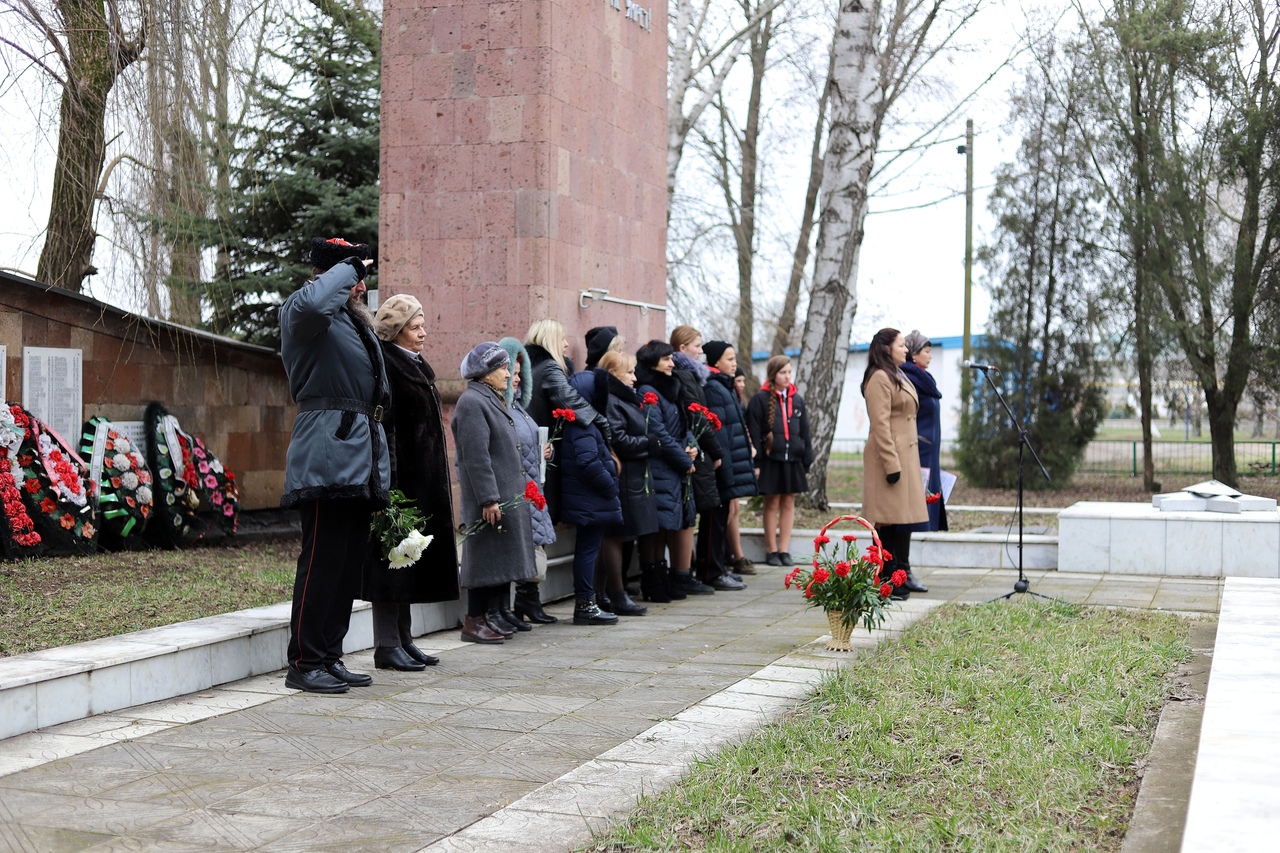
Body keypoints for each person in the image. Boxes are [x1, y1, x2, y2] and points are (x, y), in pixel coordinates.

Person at [280, 238, 387, 694]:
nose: (362, 285)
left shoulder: (345, 319)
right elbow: (312, 306)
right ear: (332, 276)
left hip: (356, 449)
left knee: (345, 563)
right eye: (355, 276)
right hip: (326, 450)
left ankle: (329, 654)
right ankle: (304, 662)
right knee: (322, 559)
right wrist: (346, 268)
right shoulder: (303, 310)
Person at [364, 294, 460, 671]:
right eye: (415, 327)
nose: (423, 333)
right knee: (392, 563)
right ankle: (386, 645)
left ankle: (403, 639)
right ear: (396, 331)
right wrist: (389, 487)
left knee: (408, 560)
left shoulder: (414, 364)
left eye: (422, 325)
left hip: (421, 482)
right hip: (399, 483)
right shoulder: (387, 366)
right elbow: (384, 429)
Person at [452, 342, 539, 643]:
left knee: (498, 558)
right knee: (484, 559)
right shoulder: (472, 402)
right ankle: (474, 622)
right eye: (503, 368)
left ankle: (489, 616)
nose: (508, 374)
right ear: (486, 372)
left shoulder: (491, 398)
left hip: (503, 496)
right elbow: (477, 457)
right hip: (490, 499)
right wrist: (489, 498)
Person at [860, 328, 928, 600]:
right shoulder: (879, 377)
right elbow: (881, 425)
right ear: (886, 348)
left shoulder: (897, 373)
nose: (906, 350)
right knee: (888, 522)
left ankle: (898, 575)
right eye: (901, 345)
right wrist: (891, 465)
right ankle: (886, 579)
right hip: (889, 458)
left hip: (906, 456)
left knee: (903, 521)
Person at [497, 337, 559, 625]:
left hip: (532, 484)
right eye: (514, 371)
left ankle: (527, 600)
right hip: (517, 487)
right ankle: (513, 604)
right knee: (520, 548)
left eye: (521, 373)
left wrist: (546, 449)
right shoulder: (500, 407)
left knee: (533, 546)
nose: (517, 378)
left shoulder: (520, 406)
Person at [634, 340, 701, 601]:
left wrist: (692, 447)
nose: (672, 363)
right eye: (666, 359)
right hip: (660, 467)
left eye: (672, 358)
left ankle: (662, 578)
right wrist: (684, 460)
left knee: (666, 524)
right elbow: (656, 431)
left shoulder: (668, 390)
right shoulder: (648, 391)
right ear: (652, 363)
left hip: (672, 467)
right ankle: (652, 581)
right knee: (656, 526)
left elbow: (682, 427)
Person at [524, 319, 610, 520]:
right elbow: (571, 402)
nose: (566, 344)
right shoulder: (549, 368)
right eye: (562, 339)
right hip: (546, 450)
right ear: (551, 340)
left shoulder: (532, 369)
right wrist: (601, 421)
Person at [561, 369, 625, 624]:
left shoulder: (585, 420)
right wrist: (610, 486)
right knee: (588, 550)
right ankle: (585, 605)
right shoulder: (582, 423)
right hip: (590, 498)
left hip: (589, 499)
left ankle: (587, 603)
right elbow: (588, 462)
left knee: (589, 548)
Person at [597, 350, 656, 616]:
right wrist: (650, 443)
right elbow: (620, 440)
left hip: (633, 475)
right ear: (612, 375)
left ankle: (612, 593)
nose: (635, 377)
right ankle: (616, 595)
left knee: (622, 536)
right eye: (629, 372)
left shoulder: (625, 399)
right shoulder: (612, 400)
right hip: (623, 475)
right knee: (615, 536)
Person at [669, 326, 724, 594]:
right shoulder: (684, 375)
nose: (701, 351)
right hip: (696, 449)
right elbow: (696, 415)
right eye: (697, 345)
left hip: (699, 448)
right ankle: (693, 571)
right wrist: (716, 451)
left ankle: (698, 570)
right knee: (701, 509)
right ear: (682, 349)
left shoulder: (693, 375)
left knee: (704, 509)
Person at [746, 355, 814, 567]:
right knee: (772, 501)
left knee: (788, 501)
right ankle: (771, 549)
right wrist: (756, 463)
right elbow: (754, 433)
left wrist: (806, 462)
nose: (787, 377)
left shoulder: (797, 400)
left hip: (793, 459)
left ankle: (784, 549)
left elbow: (805, 433)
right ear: (773, 375)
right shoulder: (760, 400)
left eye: (789, 372)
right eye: (783, 372)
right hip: (770, 460)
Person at [700, 341, 758, 586]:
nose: (734, 363)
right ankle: (711, 572)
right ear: (715, 362)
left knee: (722, 517)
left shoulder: (725, 385)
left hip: (729, 462)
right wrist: (724, 466)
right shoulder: (714, 387)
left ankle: (719, 567)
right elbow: (719, 431)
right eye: (729, 358)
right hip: (721, 465)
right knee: (714, 519)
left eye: (734, 358)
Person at [898, 330, 946, 593]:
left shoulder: (924, 378)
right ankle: (901, 570)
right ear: (913, 353)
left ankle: (903, 569)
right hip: (915, 454)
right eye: (926, 350)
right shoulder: (908, 378)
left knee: (917, 514)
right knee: (908, 514)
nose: (930, 355)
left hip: (928, 455)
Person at [724, 365, 756, 575]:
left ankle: (735, 554)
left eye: (744, 381)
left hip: (737, 461)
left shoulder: (738, 403)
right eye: (738, 381)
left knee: (734, 510)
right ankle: (733, 555)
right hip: (729, 462)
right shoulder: (728, 400)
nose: (742, 385)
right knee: (729, 510)